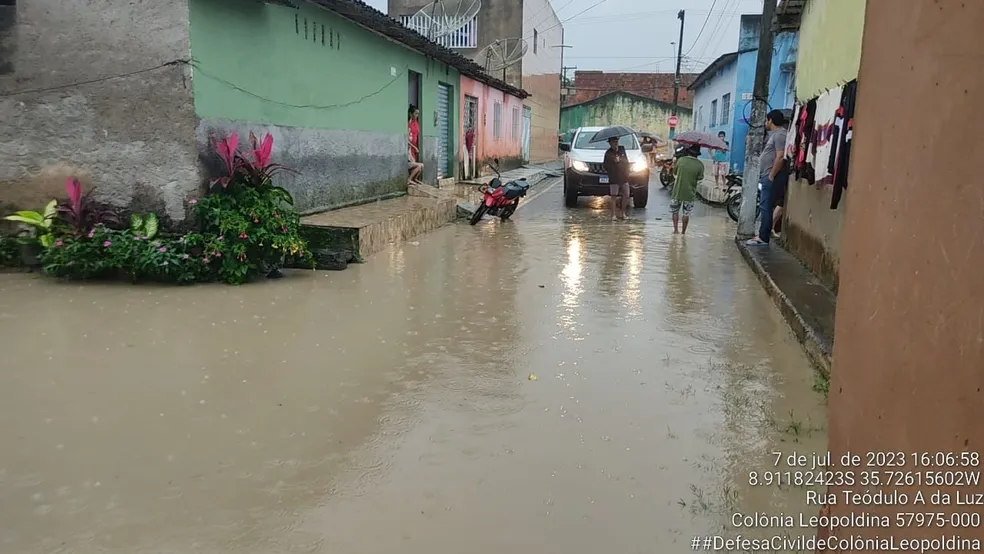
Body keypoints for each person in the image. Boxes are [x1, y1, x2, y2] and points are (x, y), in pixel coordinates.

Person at [746, 110, 789, 245]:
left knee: (765, 206)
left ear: (770, 120)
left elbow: (780, 157)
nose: (765, 123)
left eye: (766, 120)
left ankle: (763, 237)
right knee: (765, 206)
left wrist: (771, 175)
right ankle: (763, 234)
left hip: (771, 176)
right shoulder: (776, 135)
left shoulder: (780, 135)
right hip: (768, 175)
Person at [670, 143, 703, 234]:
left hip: (677, 192)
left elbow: (674, 173)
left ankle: (675, 230)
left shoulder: (681, 160)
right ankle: (683, 232)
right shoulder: (700, 165)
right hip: (690, 194)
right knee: (686, 213)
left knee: (675, 211)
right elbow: (700, 178)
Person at [603, 136, 630, 220]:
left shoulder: (622, 149)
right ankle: (613, 215)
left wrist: (620, 160)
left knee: (626, 195)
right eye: (613, 142)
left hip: (624, 176)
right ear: (610, 143)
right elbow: (605, 165)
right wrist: (613, 162)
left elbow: (626, 161)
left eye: (616, 141)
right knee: (614, 196)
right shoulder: (608, 153)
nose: (615, 143)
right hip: (614, 178)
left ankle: (623, 213)